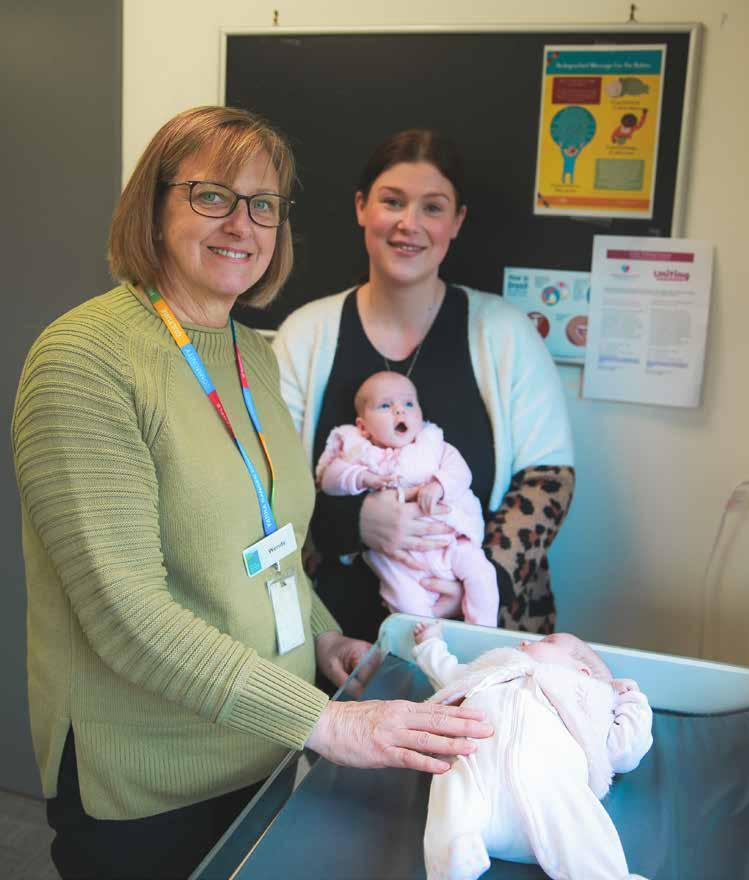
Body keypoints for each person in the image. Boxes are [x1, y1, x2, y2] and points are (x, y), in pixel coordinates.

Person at [11, 106, 493, 880]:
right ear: (153, 206)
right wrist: (329, 724)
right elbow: (124, 615)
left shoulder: (252, 354)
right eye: (213, 195)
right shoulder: (85, 359)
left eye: (264, 204)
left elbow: (273, 547)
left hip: (262, 746)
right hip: (149, 779)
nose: (242, 224)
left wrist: (322, 638)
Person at [274, 129, 575, 643]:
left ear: (456, 222)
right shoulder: (305, 336)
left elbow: (547, 481)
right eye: (392, 201)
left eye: (432, 207)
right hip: (330, 641)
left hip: (475, 641)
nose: (409, 224)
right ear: (362, 207)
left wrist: (478, 585)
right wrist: (352, 522)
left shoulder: (505, 335)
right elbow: (269, 482)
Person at [412, 622, 653, 880]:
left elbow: (625, 750)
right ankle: (455, 856)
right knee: (452, 781)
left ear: (581, 671)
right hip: (478, 776)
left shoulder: (588, 696)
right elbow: (447, 674)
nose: (525, 642)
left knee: (577, 816)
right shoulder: (492, 671)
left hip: (549, 787)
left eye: (548, 641)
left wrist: (630, 700)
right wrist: (430, 643)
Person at [316, 371, 499, 626]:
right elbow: (329, 479)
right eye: (385, 405)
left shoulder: (433, 446)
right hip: (397, 560)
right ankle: (426, 643)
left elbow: (461, 472)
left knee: (482, 575)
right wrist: (362, 478)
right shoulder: (359, 452)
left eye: (409, 404)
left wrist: (439, 485)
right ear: (363, 426)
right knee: (407, 603)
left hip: (449, 545)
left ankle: (482, 634)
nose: (399, 410)